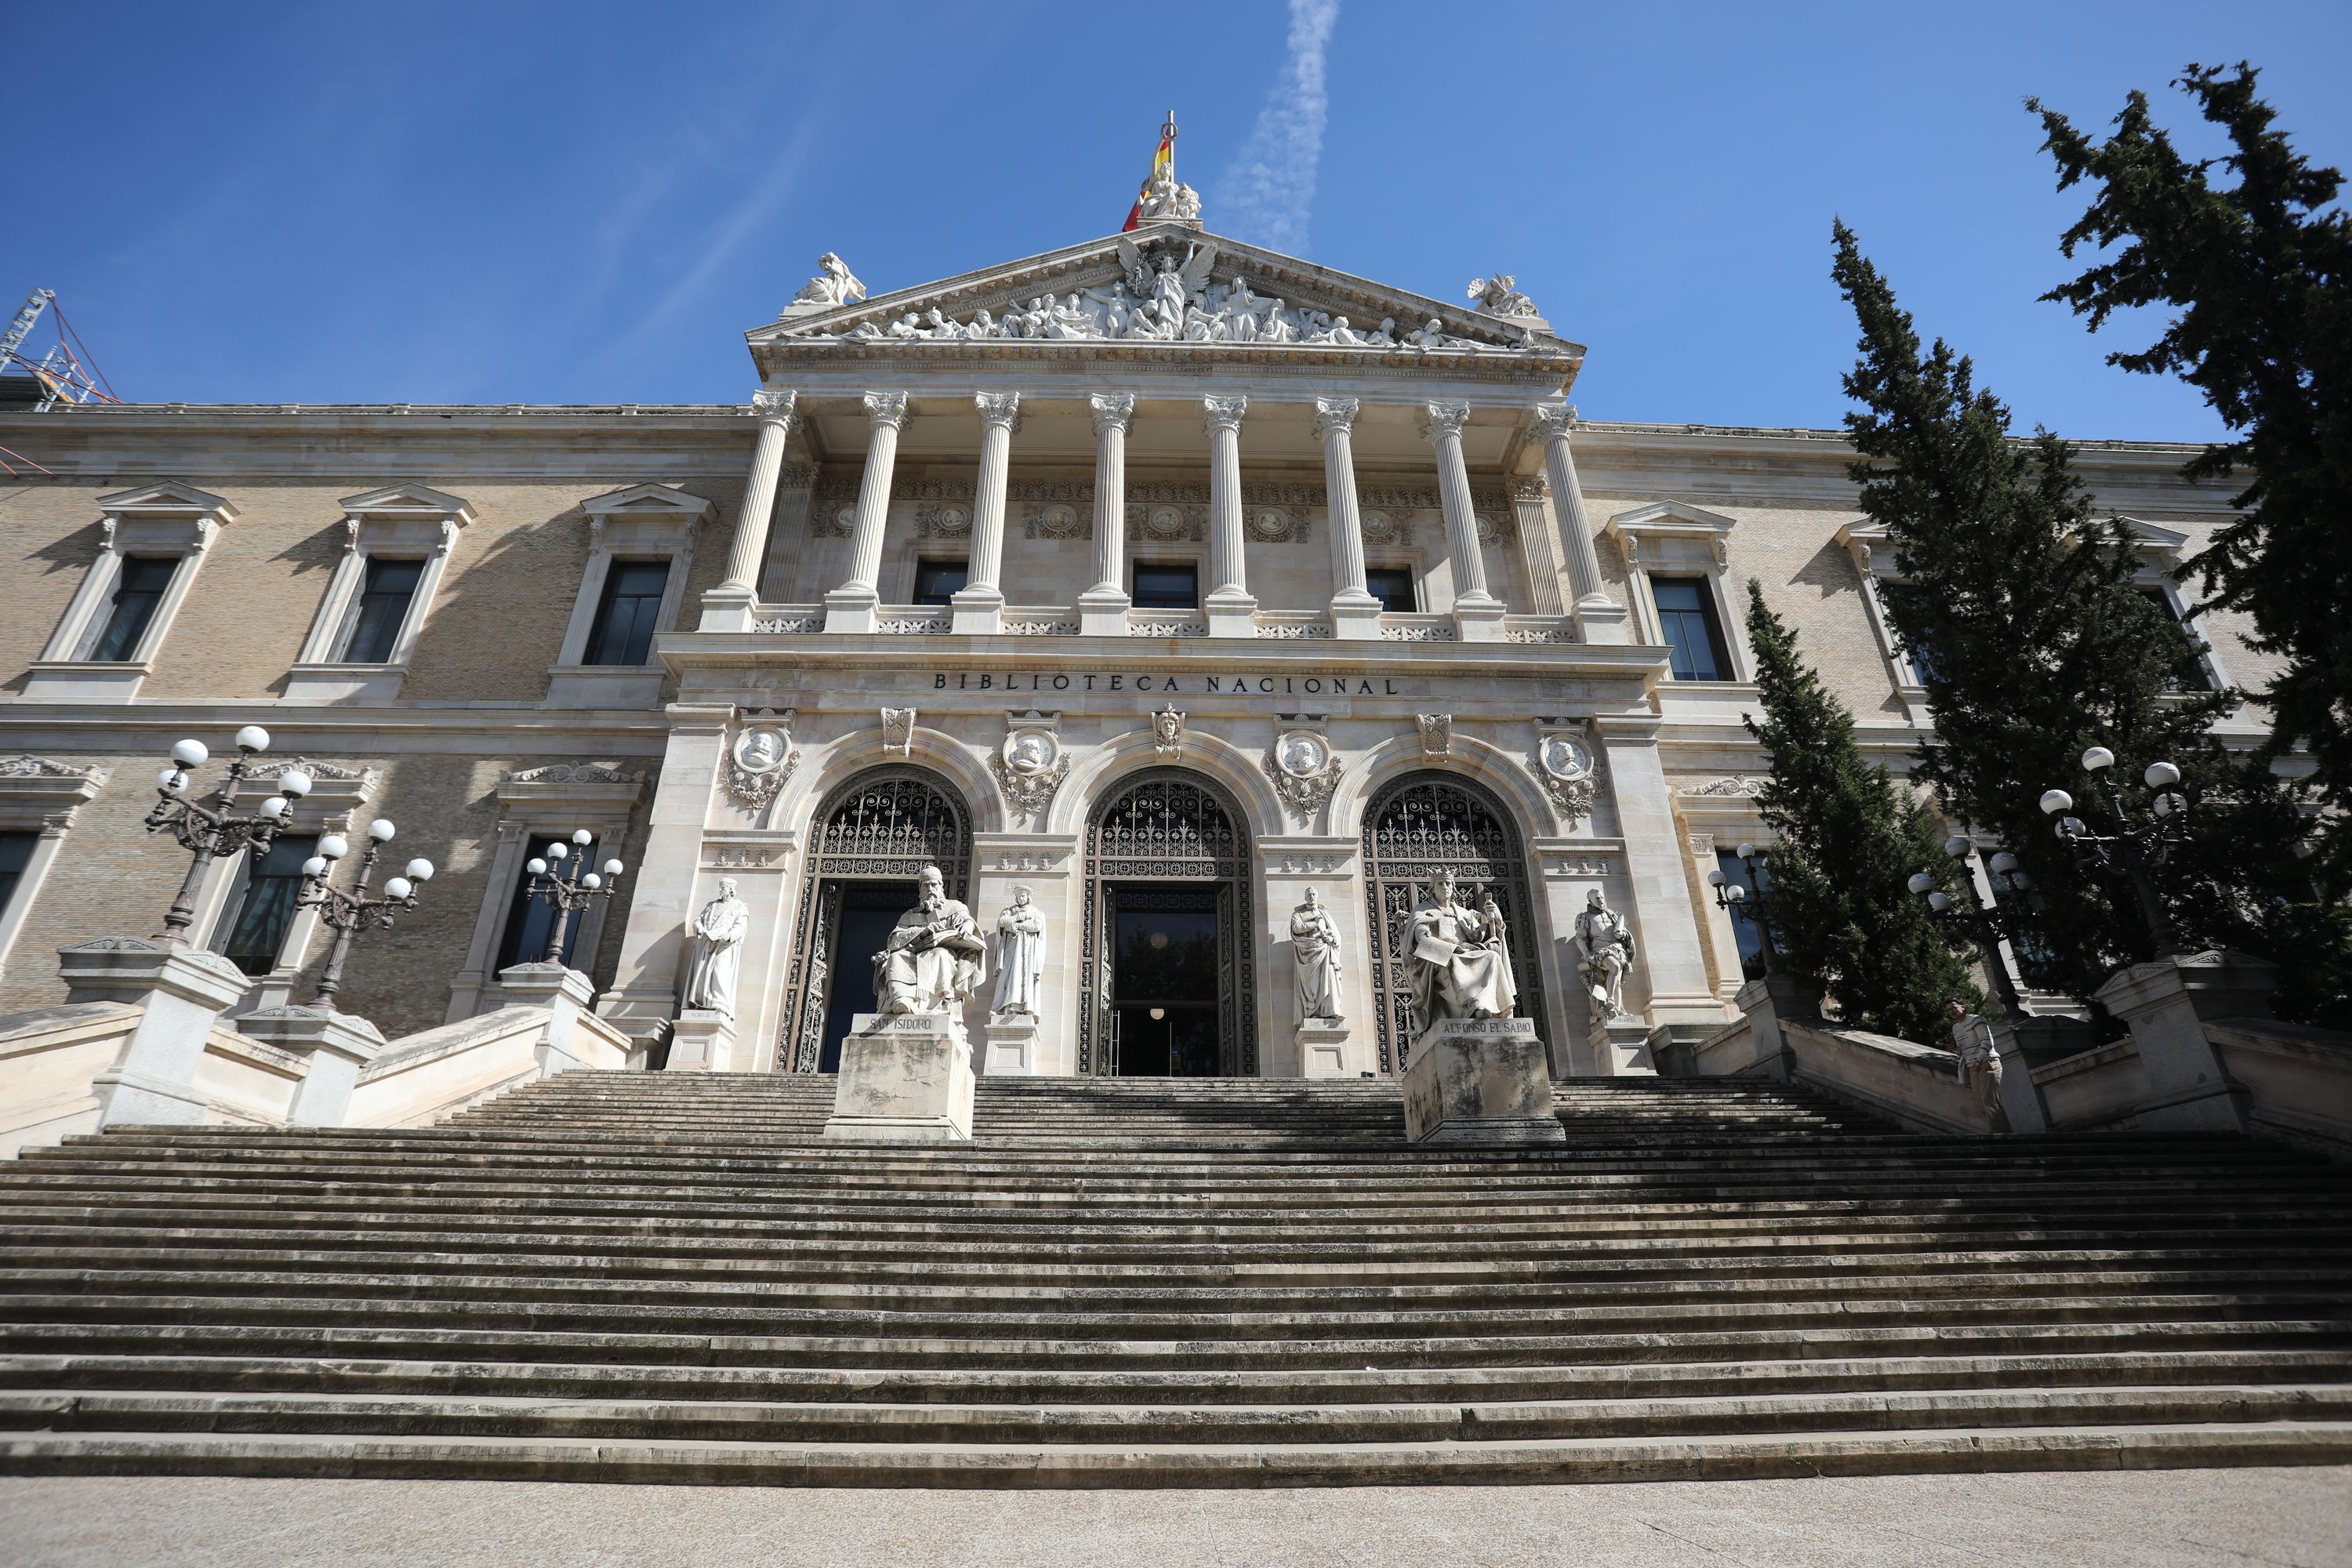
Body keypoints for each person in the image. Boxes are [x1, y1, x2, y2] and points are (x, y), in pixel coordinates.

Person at [1406, 868, 1515, 1047]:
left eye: (1448, 883)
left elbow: (1481, 935)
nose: (1445, 887)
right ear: (1432, 888)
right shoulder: (1423, 911)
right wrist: (1451, 948)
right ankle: (1473, 1004)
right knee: (1454, 961)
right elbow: (1421, 939)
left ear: (1453, 887)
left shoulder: (1463, 912)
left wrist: (1494, 919)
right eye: (1440, 884)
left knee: (1491, 957)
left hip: (1469, 951)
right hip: (1440, 958)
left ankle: (1499, 1007)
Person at [873, 865, 986, 1014]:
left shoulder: (954, 906)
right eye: (926, 885)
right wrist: (922, 932)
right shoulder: (910, 914)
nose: (930, 889)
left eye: (934, 884)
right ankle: (901, 999)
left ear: (941, 887)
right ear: (920, 889)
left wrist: (967, 926)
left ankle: (931, 1005)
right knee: (895, 958)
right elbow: (894, 940)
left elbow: (966, 919)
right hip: (912, 952)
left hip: (942, 951)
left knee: (940, 955)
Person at [679, 878, 749, 1019]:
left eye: (723, 888)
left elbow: (740, 927)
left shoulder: (740, 907)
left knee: (719, 972)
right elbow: (699, 919)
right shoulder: (711, 905)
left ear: (730, 889)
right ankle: (701, 1003)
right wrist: (698, 927)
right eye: (720, 887)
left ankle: (719, 1003)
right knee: (702, 974)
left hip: (724, 946)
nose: (720, 890)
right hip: (707, 944)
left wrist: (727, 936)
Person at [1944, 1000, 2012, 1134]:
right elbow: (1964, 1052)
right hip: (1972, 1066)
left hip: (1987, 1063)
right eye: (1948, 1010)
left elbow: (1987, 1041)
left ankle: (2000, 1134)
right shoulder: (1955, 1028)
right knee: (1981, 1103)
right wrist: (1955, 1050)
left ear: (1963, 1007)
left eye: (1954, 1008)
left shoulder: (1976, 1020)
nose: (1951, 1012)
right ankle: (2001, 1132)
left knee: (1990, 1101)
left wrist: (1979, 1059)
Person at [1575, 889, 1635, 1020]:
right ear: (1590, 901)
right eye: (1597, 898)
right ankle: (1610, 999)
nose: (1601, 900)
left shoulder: (1612, 915)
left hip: (1618, 949)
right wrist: (1586, 953)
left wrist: (1622, 934)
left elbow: (1624, 932)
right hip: (1600, 950)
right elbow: (1580, 938)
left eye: (1602, 897)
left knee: (1618, 982)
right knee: (1615, 967)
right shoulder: (1585, 917)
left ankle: (1618, 1011)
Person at [1290, 887, 1344, 1025]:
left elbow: (1336, 935)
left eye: (1314, 894)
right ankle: (1314, 1013)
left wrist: (1331, 939)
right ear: (1305, 897)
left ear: (1317, 896)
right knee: (1312, 985)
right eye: (1309, 894)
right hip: (1308, 953)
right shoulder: (1298, 914)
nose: (1311, 896)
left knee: (1330, 977)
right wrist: (1314, 923)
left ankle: (1332, 1011)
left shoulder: (1324, 913)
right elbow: (1297, 928)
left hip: (1325, 950)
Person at [992, 887, 1045, 1018]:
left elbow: (1037, 926)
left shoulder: (1035, 912)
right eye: (1019, 896)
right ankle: (1009, 1007)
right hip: (1012, 949)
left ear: (1028, 898)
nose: (1022, 898)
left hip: (1028, 952)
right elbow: (1002, 923)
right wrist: (1018, 917)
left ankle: (1026, 1008)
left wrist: (1018, 925)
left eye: (1024, 896)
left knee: (1025, 977)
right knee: (1011, 975)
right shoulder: (1009, 911)